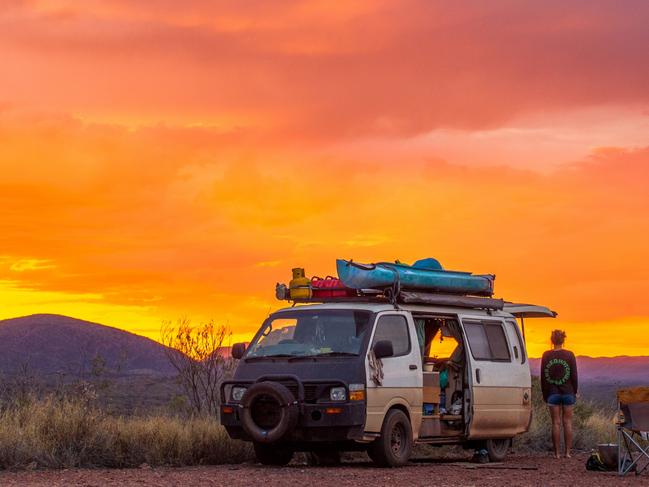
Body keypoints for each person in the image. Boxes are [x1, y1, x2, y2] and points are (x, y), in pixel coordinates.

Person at [541, 329, 578, 459]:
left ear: (552, 340)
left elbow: (543, 377)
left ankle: (557, 453)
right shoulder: (569, 355)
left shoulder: (546, 355)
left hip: (552, 392)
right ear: (563, 340)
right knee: (567, 422)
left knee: (555, 423)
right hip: (568, 392)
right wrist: (575, 392)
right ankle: (567, 453)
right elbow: (574, 375)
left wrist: (545, 394)